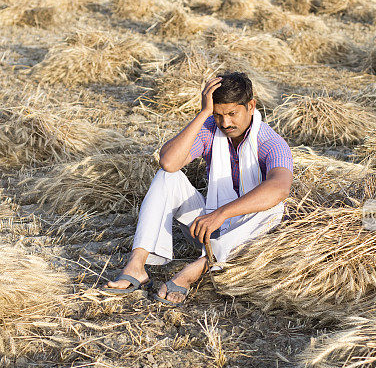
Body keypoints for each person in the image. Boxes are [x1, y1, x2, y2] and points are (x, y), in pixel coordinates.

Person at [104, 72, 293, 304]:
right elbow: (169, 162)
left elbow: (281, 187)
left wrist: (221, 214)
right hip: (204, 228)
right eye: (218, 115)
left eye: (232, 114)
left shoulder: (270, 142)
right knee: (167, 177)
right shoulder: (211, 129)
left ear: (251, 106)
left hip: (247, 235)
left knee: (275, 209)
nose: (226, 123)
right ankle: (136, 266)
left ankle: (197, 268)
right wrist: (204, 113)